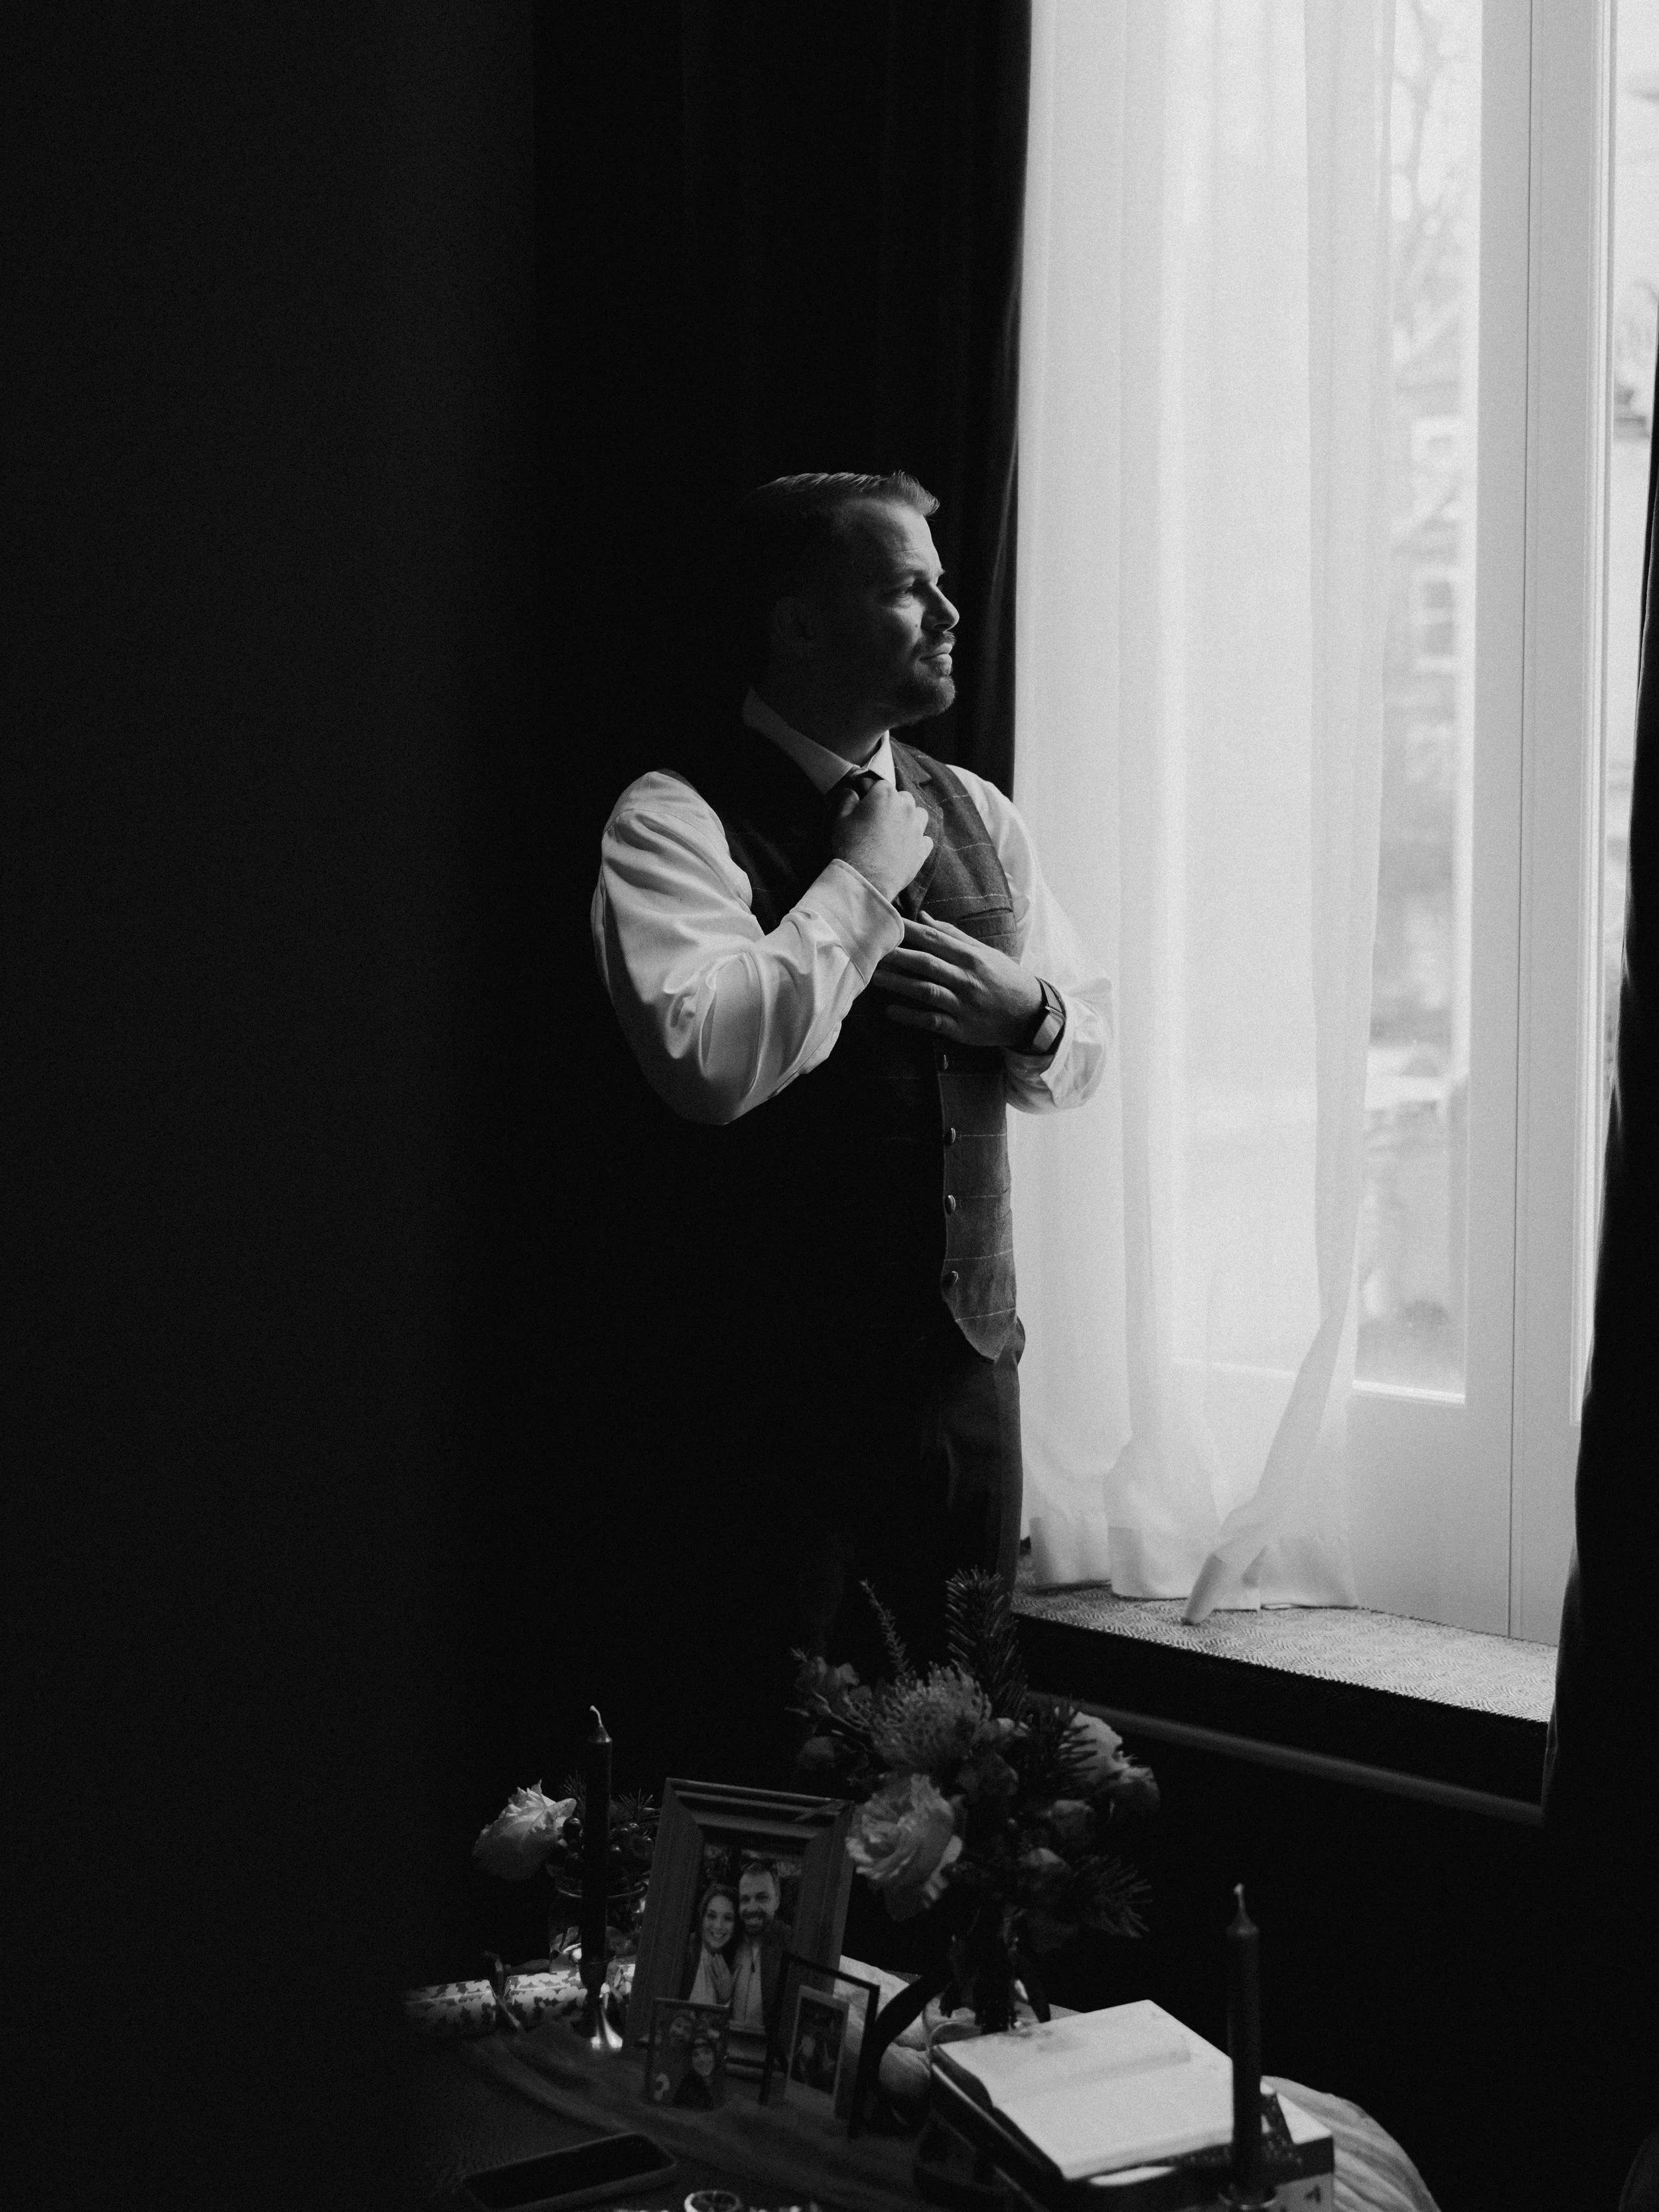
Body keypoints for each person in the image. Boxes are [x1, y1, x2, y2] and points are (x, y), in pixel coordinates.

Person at [591, 470, 1111, 1751]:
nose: (948, 611)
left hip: (967, 1399)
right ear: (800, 621)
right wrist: (861, 882)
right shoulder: (672, 816)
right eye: (906, 587)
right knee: (767, 1770)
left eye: (943, 582)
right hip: (766, 1411)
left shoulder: (980, 812)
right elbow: (708, 1060)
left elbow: (1084, 1048)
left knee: (971, 1776)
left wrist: (1031, 1011)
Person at [727, 1861, 792, 2036]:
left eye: (762, 1898)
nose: (752, 1908)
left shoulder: (791, 1946)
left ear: (777, 1901)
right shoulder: (727, 1940)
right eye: (745, 1899)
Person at [682, 1882, 738, 2007]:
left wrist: (725, 1998)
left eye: (728, 1918)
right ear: (702, 1917)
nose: (718, 1926)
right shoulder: (684, 1950)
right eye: (712, 1916)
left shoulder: (734, 1958)